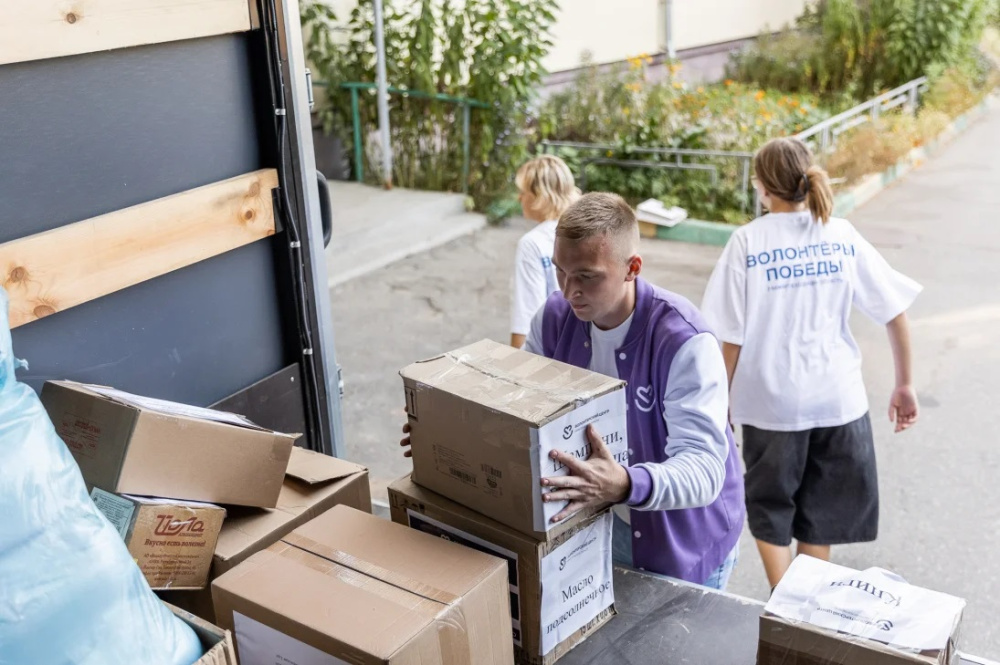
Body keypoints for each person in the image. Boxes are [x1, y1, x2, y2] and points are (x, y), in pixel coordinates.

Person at [700, 136, 922, 589]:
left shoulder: (747, 242)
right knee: (820, 514)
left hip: (770, 404)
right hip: (838, 402)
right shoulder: (840, 234)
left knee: (769, 507)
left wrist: (717, 403)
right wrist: (905, 384)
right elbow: (895, 312)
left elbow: (729, 338)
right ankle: (805, 608)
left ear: (761, 186)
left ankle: (785, 601)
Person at [521, 192, 745, 589]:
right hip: (598, 520)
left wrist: (624, 483)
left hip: (685, 543)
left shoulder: (683, 340)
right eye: (560, 271)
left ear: (632, 268)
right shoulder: (553, 319)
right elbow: (517, 403)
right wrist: (458, 427)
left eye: (587, 276)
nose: (569, 290)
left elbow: (706, 469)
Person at [509, 155, 579, 349]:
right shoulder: (585, 231)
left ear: (540, 194)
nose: (519, 198)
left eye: (523, 191)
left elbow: (526, 320)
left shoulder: (532, 244)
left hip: (548, 355)